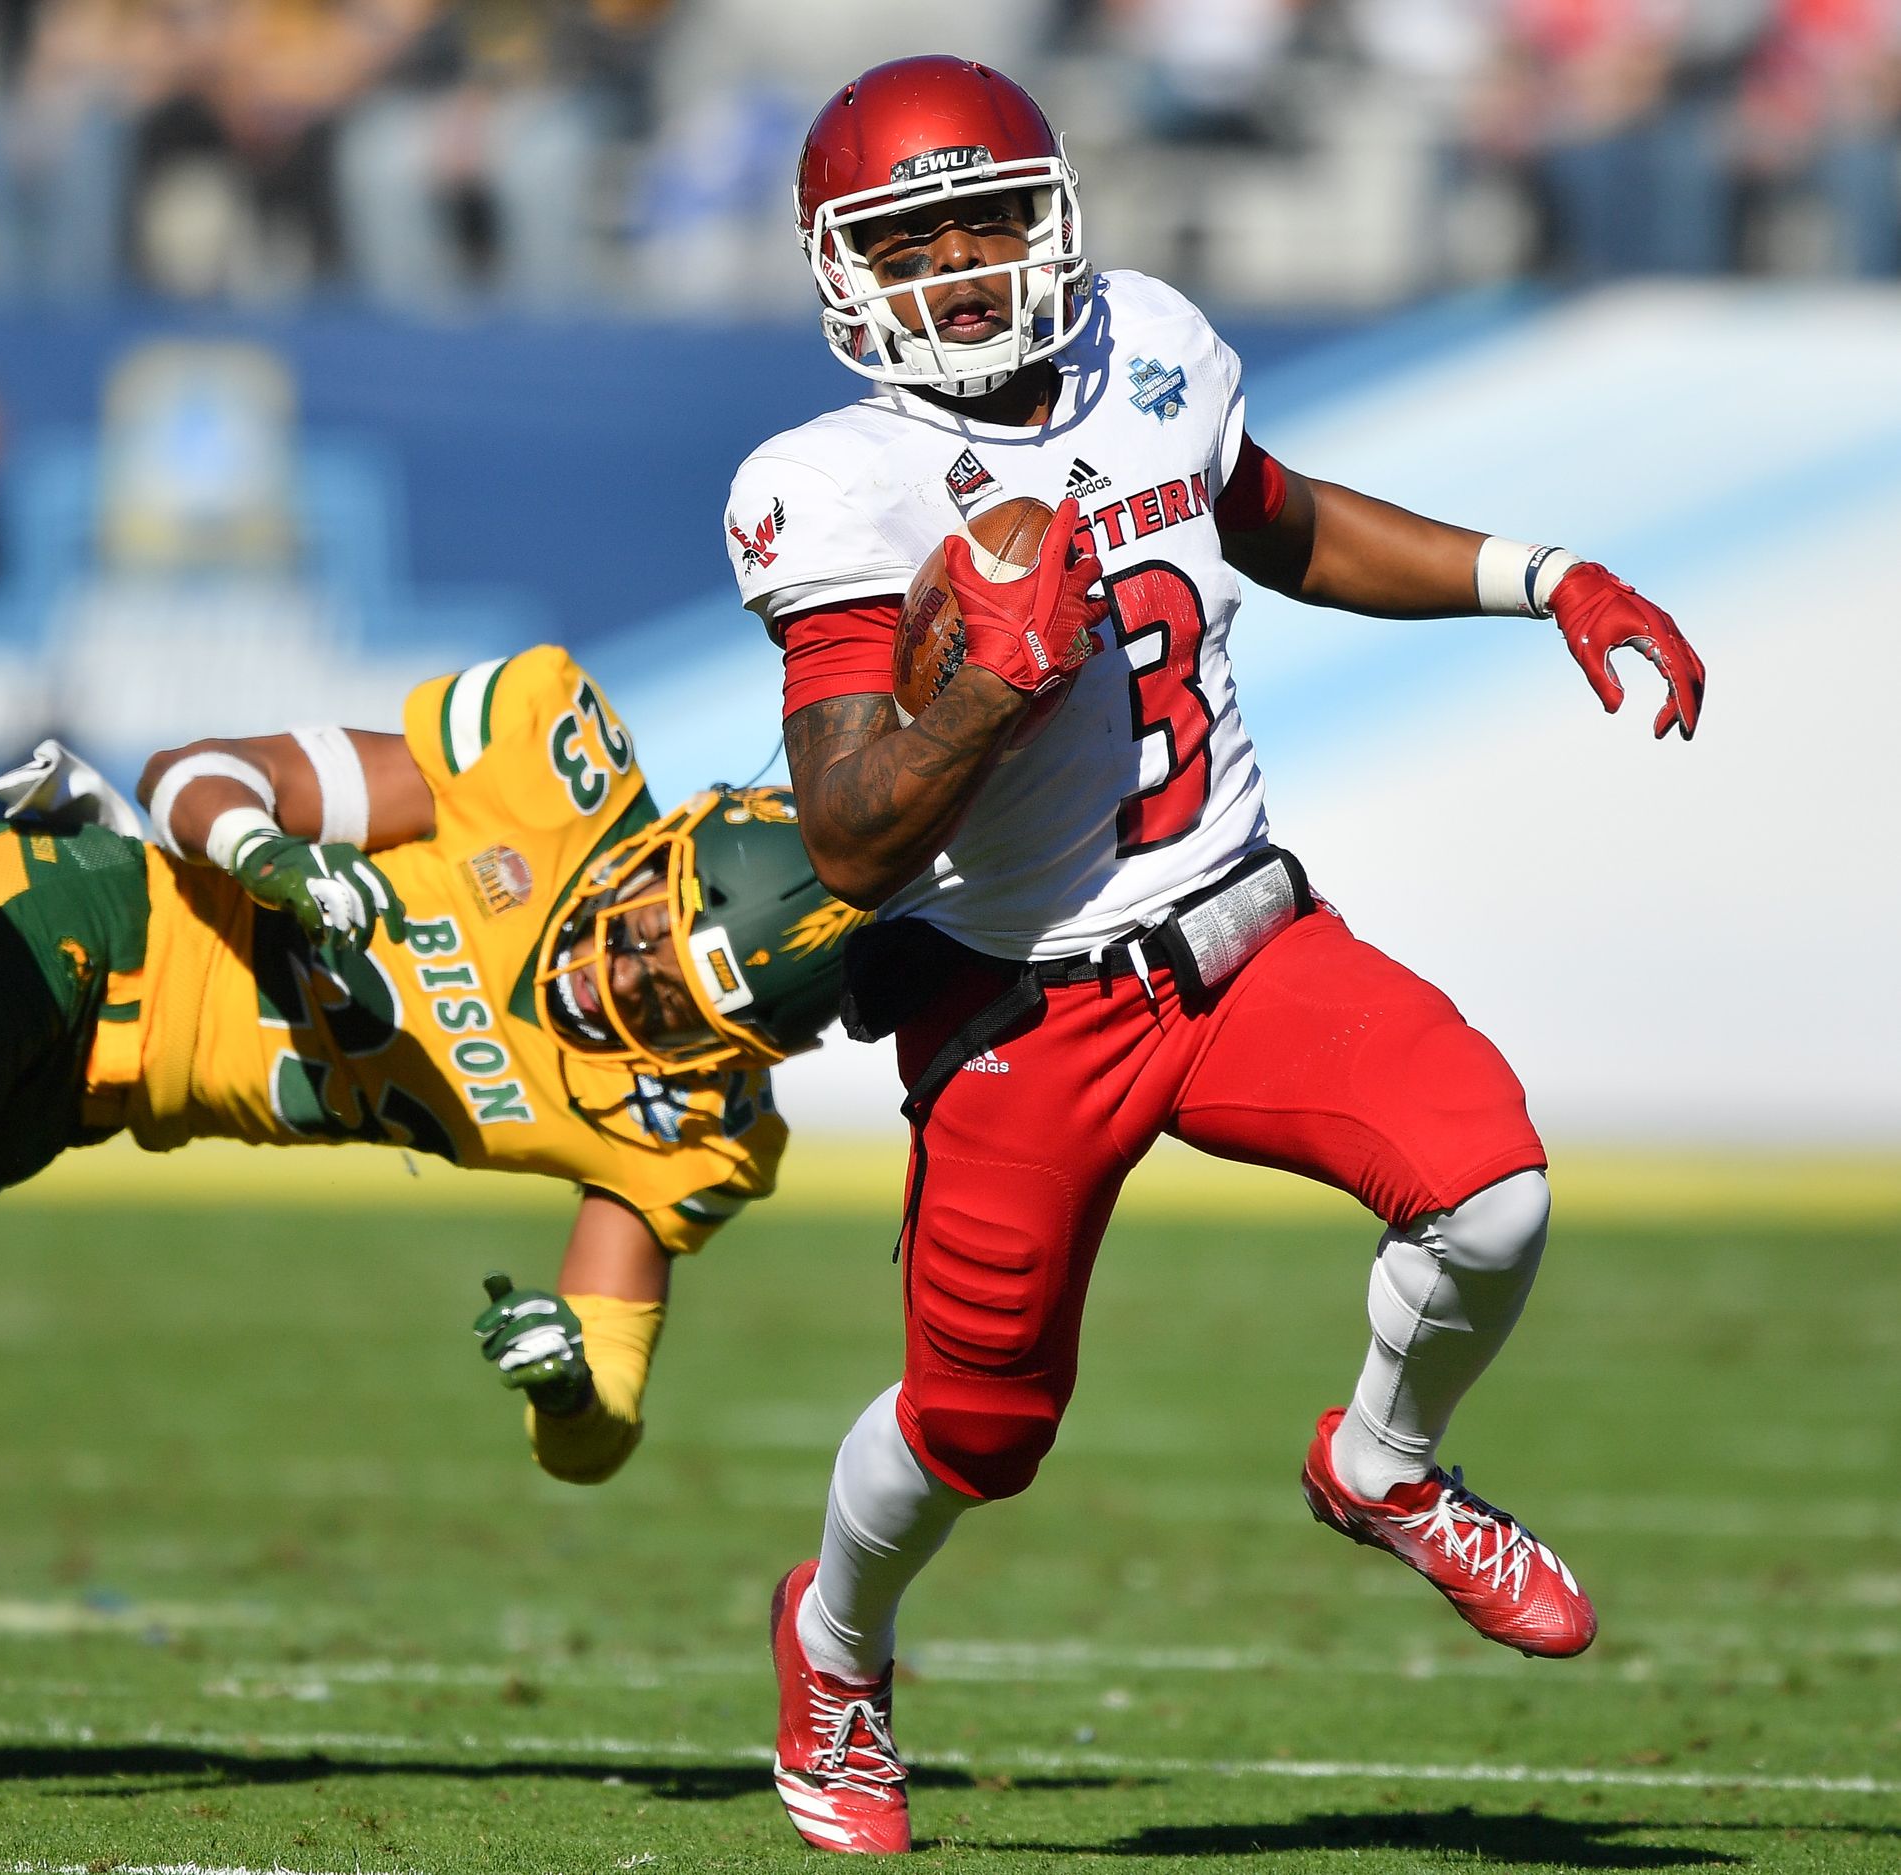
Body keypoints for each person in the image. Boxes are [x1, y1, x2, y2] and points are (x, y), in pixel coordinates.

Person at [720, 56, 1706, 1853]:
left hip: (1244, 934)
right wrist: (986, 697)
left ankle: (1385, 1464)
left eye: (992, 217)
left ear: (1058, 215)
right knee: (978, 1429)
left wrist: (1541, 572)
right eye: (911, 235)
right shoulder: (836, 485)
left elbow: (1284, 522)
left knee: (1490, 1192)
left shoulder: (1149, 342)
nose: (959, 264)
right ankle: (836, 1642)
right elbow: (856, 833)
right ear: (840, 269)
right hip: (1023, 994)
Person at [0, 643, 859, 1484]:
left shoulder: (688, 1130)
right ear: (667, 846)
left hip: (81, 1097)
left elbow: (599, 1424)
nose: (625, 977)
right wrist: (271, 856)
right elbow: (193, 771)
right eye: (647, 931)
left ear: (727, 1049)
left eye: (667, 1004)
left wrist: (564, 1386)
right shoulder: (548, 785)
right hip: (69, 924)